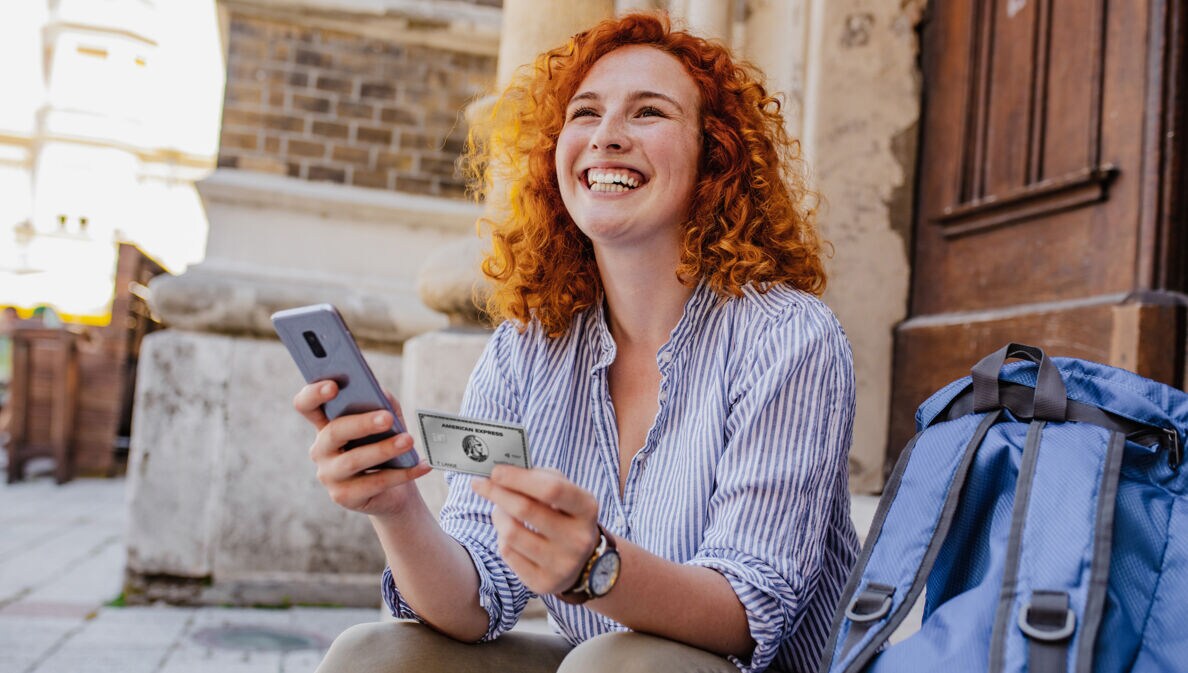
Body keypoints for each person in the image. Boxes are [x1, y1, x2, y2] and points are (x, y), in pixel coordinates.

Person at [296, 12, 858, 673]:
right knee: (372, 655)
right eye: (585, 114)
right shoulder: (525, 348)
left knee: (611, 665)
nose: (607, 137)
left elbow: (747, 613)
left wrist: (598, 567)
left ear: (716, 157)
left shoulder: (788, 339)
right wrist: (394, 506)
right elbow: (472, 599)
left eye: (648, 112)